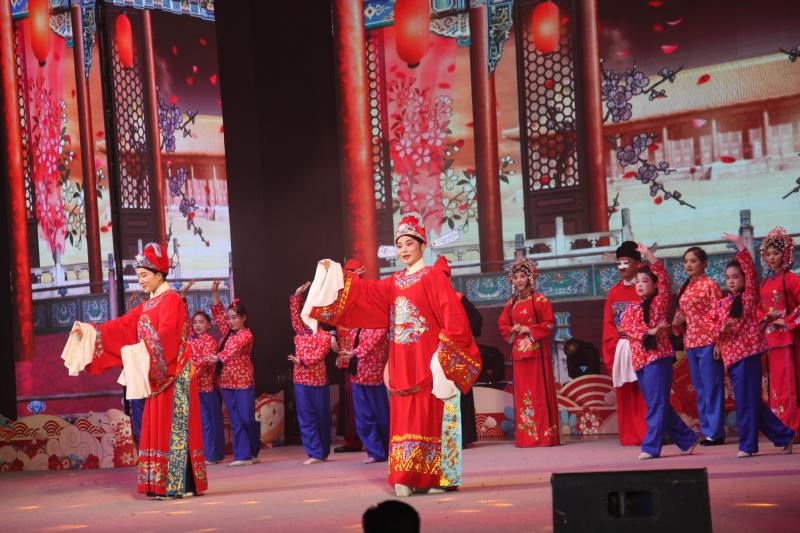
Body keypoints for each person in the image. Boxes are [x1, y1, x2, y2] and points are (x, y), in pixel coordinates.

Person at [305, 212, 481, 497]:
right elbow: (365, 293)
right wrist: (335, 273)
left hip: (428, 358)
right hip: (402, 359)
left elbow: (453, 318)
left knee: (430, 414)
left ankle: (435, 477)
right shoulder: (395, 282)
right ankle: (405, 475)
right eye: (400, 245)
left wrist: (444, 355)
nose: (404, 250)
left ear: (422, 244)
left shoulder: (433, 277)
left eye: (410, 243)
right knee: (404, 416)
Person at [61, 242, 207, 498]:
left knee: (174, 427)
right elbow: (122, 327)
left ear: (159, 274)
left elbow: (168, 335)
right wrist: (90, 332)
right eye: (139, 276)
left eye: (144, 275)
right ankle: (159, 483)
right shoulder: (146, 305)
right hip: (157, 374)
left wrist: (144, 351)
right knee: (157, 427)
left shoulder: (172, 300)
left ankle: (179, 484)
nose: (140, 281)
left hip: (175, 374)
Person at [714, 233, 795, 457]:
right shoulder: (722, 303)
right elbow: (712, 326)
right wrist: (719, 333)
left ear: (744, 279)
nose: (731, 281)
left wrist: (741, 246)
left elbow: (750, 270)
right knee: (751, 403)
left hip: (748, 356)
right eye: (728, 277)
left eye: (736, 277)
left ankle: (747, 445)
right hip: (732, 359)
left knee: (746, 403)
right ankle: (785, 435)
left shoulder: (749, 297)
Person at [620, 243, 700, 460]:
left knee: (656, 405)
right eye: (637, 282)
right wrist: (649, 331)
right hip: (640, 362)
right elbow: (627, 328)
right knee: (659, 405)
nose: (639, 285)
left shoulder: (659, 303)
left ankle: (651, 447)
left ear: (654, 285)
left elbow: (663, 278)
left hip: (658, 360)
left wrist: (649, 256)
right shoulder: (631, 309)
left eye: (645, 281)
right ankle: (687, 439)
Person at [497, 258, 560, 448]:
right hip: (519, 355)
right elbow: (502, 324)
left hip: (537, 354)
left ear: (530, 278)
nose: (519, 280)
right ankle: (527, 437)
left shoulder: (540, 300)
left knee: (539, 393)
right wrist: (513, 328)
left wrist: (529, 329)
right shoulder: (511, 304)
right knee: (523, 396)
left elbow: (550, 323)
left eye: (522, 276)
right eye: (515, 277)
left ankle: (544, 436)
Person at [334, 260, 391, 464]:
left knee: (381, 415)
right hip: (357, 375)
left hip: (374, 377)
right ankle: (375, 452)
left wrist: (353, 353)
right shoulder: (356, 322)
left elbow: (370, 344)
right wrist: (342, 355)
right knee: (363, 417)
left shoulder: (379, 322)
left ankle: (388, 449)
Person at [672, 246, 725, 445]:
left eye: (693, 261)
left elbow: (720, 316)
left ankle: (715, 433)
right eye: (686, 261)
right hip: (691, 343)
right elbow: (679, 318)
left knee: (712, 387)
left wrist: (719, 342)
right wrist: (676, 324)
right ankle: (706, 430)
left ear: (704, 263)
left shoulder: (711, 286)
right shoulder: (683, 288)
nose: (689, 265)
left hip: (708, 342)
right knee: (700, 389)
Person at [601, 241, 648, 446]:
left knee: (644, 393)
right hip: (621, 348)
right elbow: (608, 323)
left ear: (637, 264)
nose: (621, 267)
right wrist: (615, 347)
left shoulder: (644, 288)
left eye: (626, 262)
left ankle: (647, 434)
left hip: (641, 347)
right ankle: (629, 435)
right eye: (619, 262)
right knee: (626, 393)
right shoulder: (614, 292)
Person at [211, 282, 261, 466]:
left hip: (243, 382)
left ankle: (253, 449)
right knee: (235, 420)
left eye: (234, 318)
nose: (230, 322)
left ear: (243, 318)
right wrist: (215, 293)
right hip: (226, 382)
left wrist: (218, 357)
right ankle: (242, 456)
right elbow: (218, 313)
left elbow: (233, 348)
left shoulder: (246, 335)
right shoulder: (227, 333)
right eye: (229, 318)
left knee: (247, 419)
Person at [758, 226, 800, 433]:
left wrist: (787, 320)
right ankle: (781, 428)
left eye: (776, 253)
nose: (772, 257)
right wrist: (764, 317)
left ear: (785, 254)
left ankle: (792, 428)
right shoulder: (765, 282)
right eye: (768, 254)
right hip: (770, 342)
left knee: (788, 385)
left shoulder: (792, 279)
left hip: (788, 341)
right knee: (775, 387)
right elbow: (758, 308)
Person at [437, 256, 481, 447]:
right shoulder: (434, 300)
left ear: (449, 278)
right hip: (441, 355)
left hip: (457, 354)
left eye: (444, 276)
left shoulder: (459, 298)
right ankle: (451, 436)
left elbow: (477, 321)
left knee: (457, 392)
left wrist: (465, 339)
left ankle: (462, 436)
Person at [289, 283, 334, 465]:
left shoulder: (324, 336)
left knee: (322, 417)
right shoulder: (300, 332)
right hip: (301, 381)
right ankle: (314, 452)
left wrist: (302, 361)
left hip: (318, 382)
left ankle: (323, 451)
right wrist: (297, 295)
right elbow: (294, 315)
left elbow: (320, 354)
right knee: (306, 418)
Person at [186, 300, 226, 464]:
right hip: (193, 387)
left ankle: (212, 455)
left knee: (209, 421)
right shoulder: (189, 340)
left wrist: (190, 376)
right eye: (195, 322)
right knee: (200, 422)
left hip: (207, 387)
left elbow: (205, 361)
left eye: (201, 322)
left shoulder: (209, 340)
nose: (197, 325)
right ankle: (208, 454)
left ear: (209, 325)